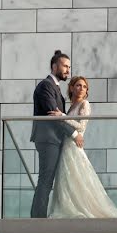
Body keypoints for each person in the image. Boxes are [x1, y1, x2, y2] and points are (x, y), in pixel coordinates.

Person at [48, 76, 117, 218]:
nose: (81, 88)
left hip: (74, 146)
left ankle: (81, 208)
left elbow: (81, 126)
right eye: (78, 85)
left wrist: (62, 116)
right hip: (66, 146)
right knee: (67, 180)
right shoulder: (72, 106)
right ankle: (67, 207)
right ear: (71, 88)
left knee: (78, 178)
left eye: (84, 87)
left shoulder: (85, 104)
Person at [30, 50, 83, 218]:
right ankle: (38, 220)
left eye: (69, 67)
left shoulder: (55, 88)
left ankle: (38, 217)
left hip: (53, 140)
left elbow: (59, 115)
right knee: (45, 180)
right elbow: (53, 116)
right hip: (48, 140)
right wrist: (74, 134)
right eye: (65, 66)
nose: (68, 70)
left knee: (47, 180)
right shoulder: (46, 86)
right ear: (54, 67)